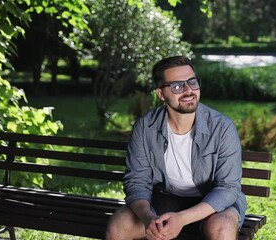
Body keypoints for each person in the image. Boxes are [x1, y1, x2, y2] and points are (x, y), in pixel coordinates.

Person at [105, 56, 247, 240]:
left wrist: (182, 218)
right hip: (165, 197)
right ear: (161, 94)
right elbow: (137, 181)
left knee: (223, 228)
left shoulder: (222, 127)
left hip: (212, 201)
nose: (188, 90)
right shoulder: (145, 127)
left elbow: (227, 188)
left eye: (192, 82)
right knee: (119, 226)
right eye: (177, 86)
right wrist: (149, 219)